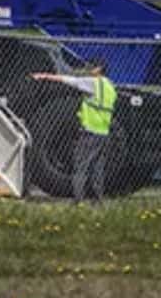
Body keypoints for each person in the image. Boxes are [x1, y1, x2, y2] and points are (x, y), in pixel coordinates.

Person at [34, 63, 117, 202]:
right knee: (97, 169)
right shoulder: (110, 87)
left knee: (81, 166)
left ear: (98, 70)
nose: (88, 71)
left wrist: (45, 76)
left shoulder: (92, 83)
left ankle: (78, 199)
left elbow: (70, 81)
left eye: (92, 68)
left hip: (90, 131)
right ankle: (99, 199)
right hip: (104, 132)